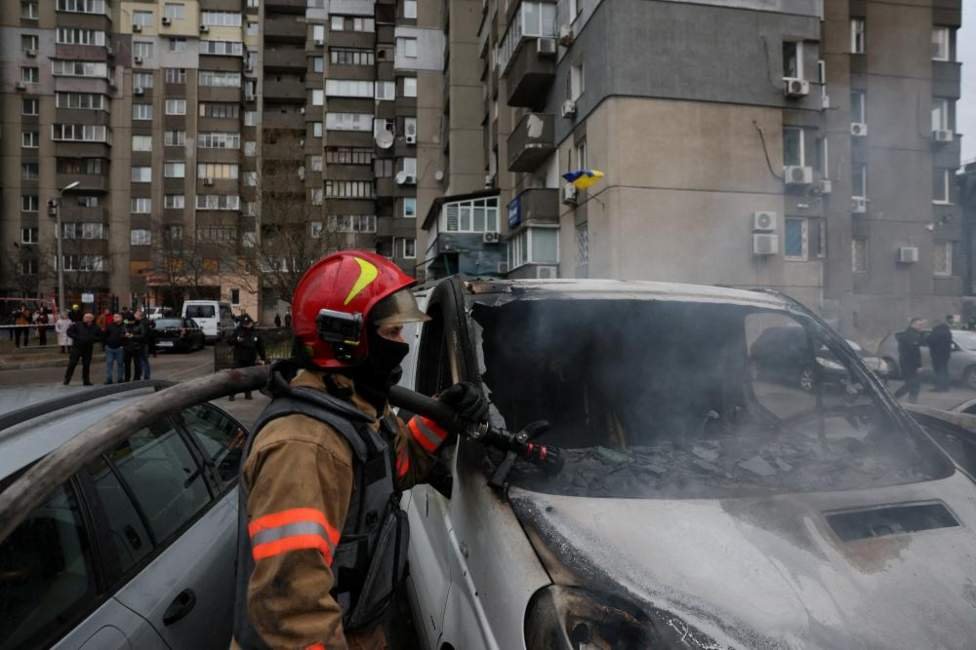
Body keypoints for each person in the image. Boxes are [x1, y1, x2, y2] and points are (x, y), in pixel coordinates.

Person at [232, 251, 488, 649]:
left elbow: (396, 466)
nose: (402, 343)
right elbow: (291, 612)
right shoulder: (303, 448)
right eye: (391, 333)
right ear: (346, 340)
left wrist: (441, 415)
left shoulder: (356, 408)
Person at [228, 316, 268, 401]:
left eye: (249, 323)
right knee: (235, 377)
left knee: (249, 378)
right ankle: (232, 394)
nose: (247, 325)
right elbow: (229, 341)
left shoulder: (255, 333)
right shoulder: (238, 331)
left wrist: (263, 358)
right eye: (245, 324)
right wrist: (236, 340)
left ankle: (248, 393)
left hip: (250, 359)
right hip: (239, 358)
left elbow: (260, 347)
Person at [894, 317, 926, 402]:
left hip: (906, 362)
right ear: (913, 324)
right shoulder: (911, 335)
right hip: (909, 364)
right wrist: (918, 365)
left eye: (922, 325)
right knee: (912, 384)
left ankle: (911, 401)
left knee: (913, 384)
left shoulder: (912, 334)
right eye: (919, 325)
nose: (921, 327)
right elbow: (914, 352)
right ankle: (894, 398)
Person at [64, 313, 99, 386]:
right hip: (77, 347)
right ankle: (67, 379)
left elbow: (100, 336)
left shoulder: (95, 327)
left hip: (88, 348)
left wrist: (92, 339)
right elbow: (69, 332)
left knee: (86, 365)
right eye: (86, 317)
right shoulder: (77, 324)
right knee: (72, 363)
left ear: (92, 319)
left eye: (89, 317)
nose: (87, 319)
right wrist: (76, 337)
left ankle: (86, 380)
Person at [927, 315, 954, 392]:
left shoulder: (936, 331)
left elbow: (930, 341)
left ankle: (939, 387)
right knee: (944, 370)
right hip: (946, 354)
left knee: (938, 371)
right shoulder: (947, 331)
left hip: (937, 354)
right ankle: (945, 387)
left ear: (936, 324)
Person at [124, 310, 152, 381]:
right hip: (136, 344)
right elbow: (125, 322)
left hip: (142, 344)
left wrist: (132, 336)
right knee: (140, 361)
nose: (134, 315)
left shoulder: (143, 322)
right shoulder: (134, 322)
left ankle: (146, 376)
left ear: (140, 316)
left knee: (143, 360)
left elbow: (143, 334)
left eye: (136, 314)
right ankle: (140, 375)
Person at [103, 313, 126, 384]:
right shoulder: (110, 326)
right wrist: (106, 344)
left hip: (120, 348)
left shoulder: (125, 326)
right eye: (114, 317)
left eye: (117, 317)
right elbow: (105, 335)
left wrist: (123, 345)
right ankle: (109, 379)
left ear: (121, 318)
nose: (115, 318)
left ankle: (120, 379)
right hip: (109, 348)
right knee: (109, 364)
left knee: (120, 364)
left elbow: (127, 336)